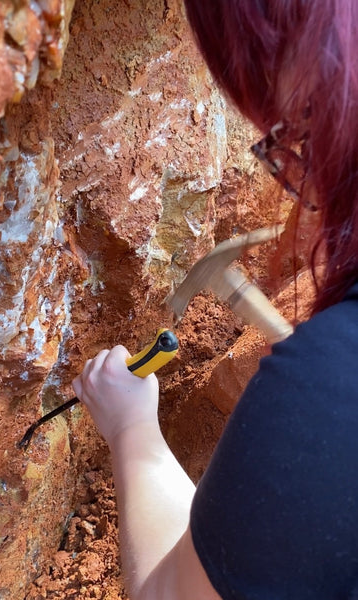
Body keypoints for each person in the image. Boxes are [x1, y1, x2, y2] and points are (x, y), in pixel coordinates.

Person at [72, 1, 358, 598]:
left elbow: (170, 590)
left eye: (296, 138)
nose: (297, 175)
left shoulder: (337, 387)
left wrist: (131, 429)